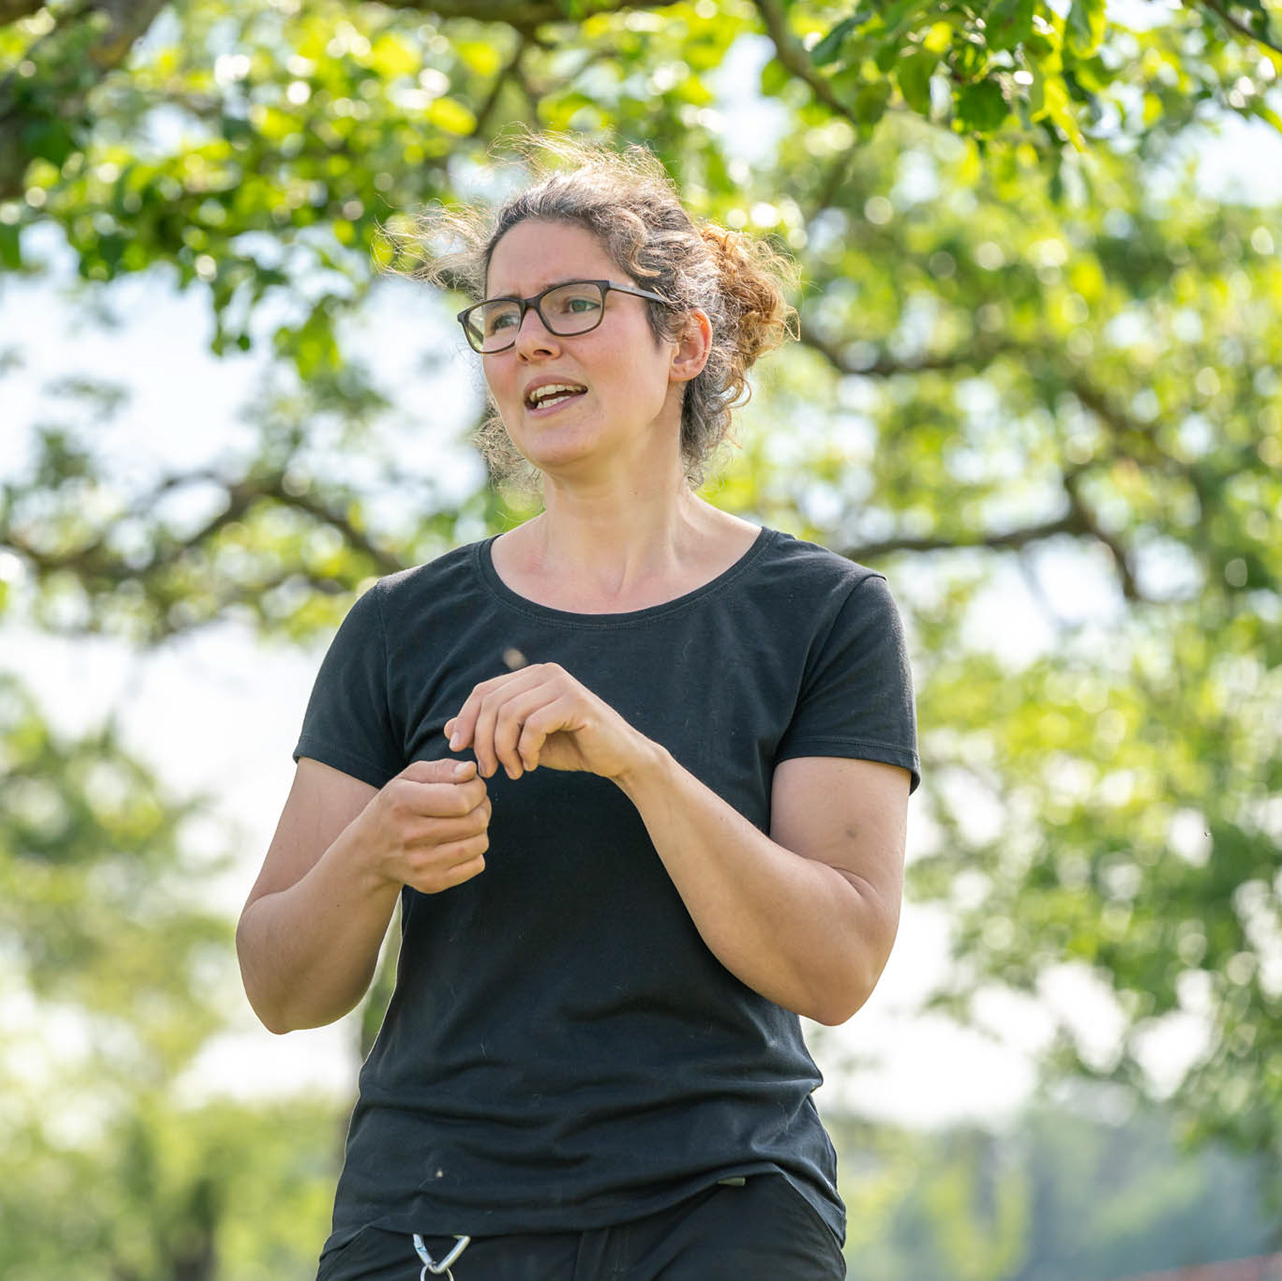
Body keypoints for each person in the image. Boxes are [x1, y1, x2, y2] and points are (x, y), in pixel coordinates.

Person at [234, 134, 919, 1281]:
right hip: (430, 1215)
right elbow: (280, 988)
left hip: (723, 1208)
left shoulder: (825, 614)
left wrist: (636, 764)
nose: (528, 341)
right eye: (500, 318)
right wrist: (372, 852)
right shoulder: (400, 625)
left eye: (573, 303)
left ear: (684, 342)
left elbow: (838, 967)